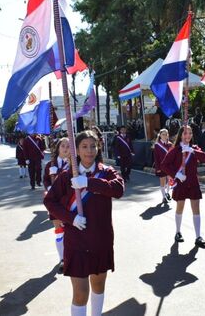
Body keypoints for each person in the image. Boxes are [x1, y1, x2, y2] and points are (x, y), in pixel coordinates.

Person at [44, 130, 124, 316]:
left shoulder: (106, 172)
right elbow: (50, 201)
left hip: (100, 238)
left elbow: (118, 189)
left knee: (98, 285)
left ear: (99, 147)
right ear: (76, 151)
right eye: (84, 147)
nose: (89, 151)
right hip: (76, 240)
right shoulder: (66, 176)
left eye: (93, 146)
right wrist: (70, 218)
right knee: (80, 293)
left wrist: (88, 182)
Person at [161, 125, 205, 248]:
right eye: (185, 133)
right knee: (180, 207)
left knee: (196, 209)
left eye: (190, 133)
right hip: (181, 183)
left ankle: (198, 236)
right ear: (181, 135)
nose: (188, 136)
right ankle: (178, 232)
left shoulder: (194, 148)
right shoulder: (176, 149)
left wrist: (192, 151)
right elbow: (164, 165)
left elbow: (204, 158)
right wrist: (176, 174)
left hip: (193, 182)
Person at [42, 137, 71, 274]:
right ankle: (62, 259)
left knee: (71, 231)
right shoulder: (50, 165)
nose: (66, 149)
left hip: (70, 202)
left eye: (68, 146)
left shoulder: (74, 165)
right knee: (59, 230)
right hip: (55, 202)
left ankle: (71, 256)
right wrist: (48, 188)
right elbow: (46, 180)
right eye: (63, 146)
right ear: (58, 148)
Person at [153, 129, 173, 204]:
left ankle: (167, 193)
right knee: (162, 182)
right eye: (163, 134)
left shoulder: (170, 144)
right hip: (161, 166)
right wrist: (157, 168)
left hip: (169, 166)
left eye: (166, 134)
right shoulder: (157, 145)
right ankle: (163, 197)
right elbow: (156, 158)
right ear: (160, 135)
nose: (165, 136)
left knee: (170, 181)